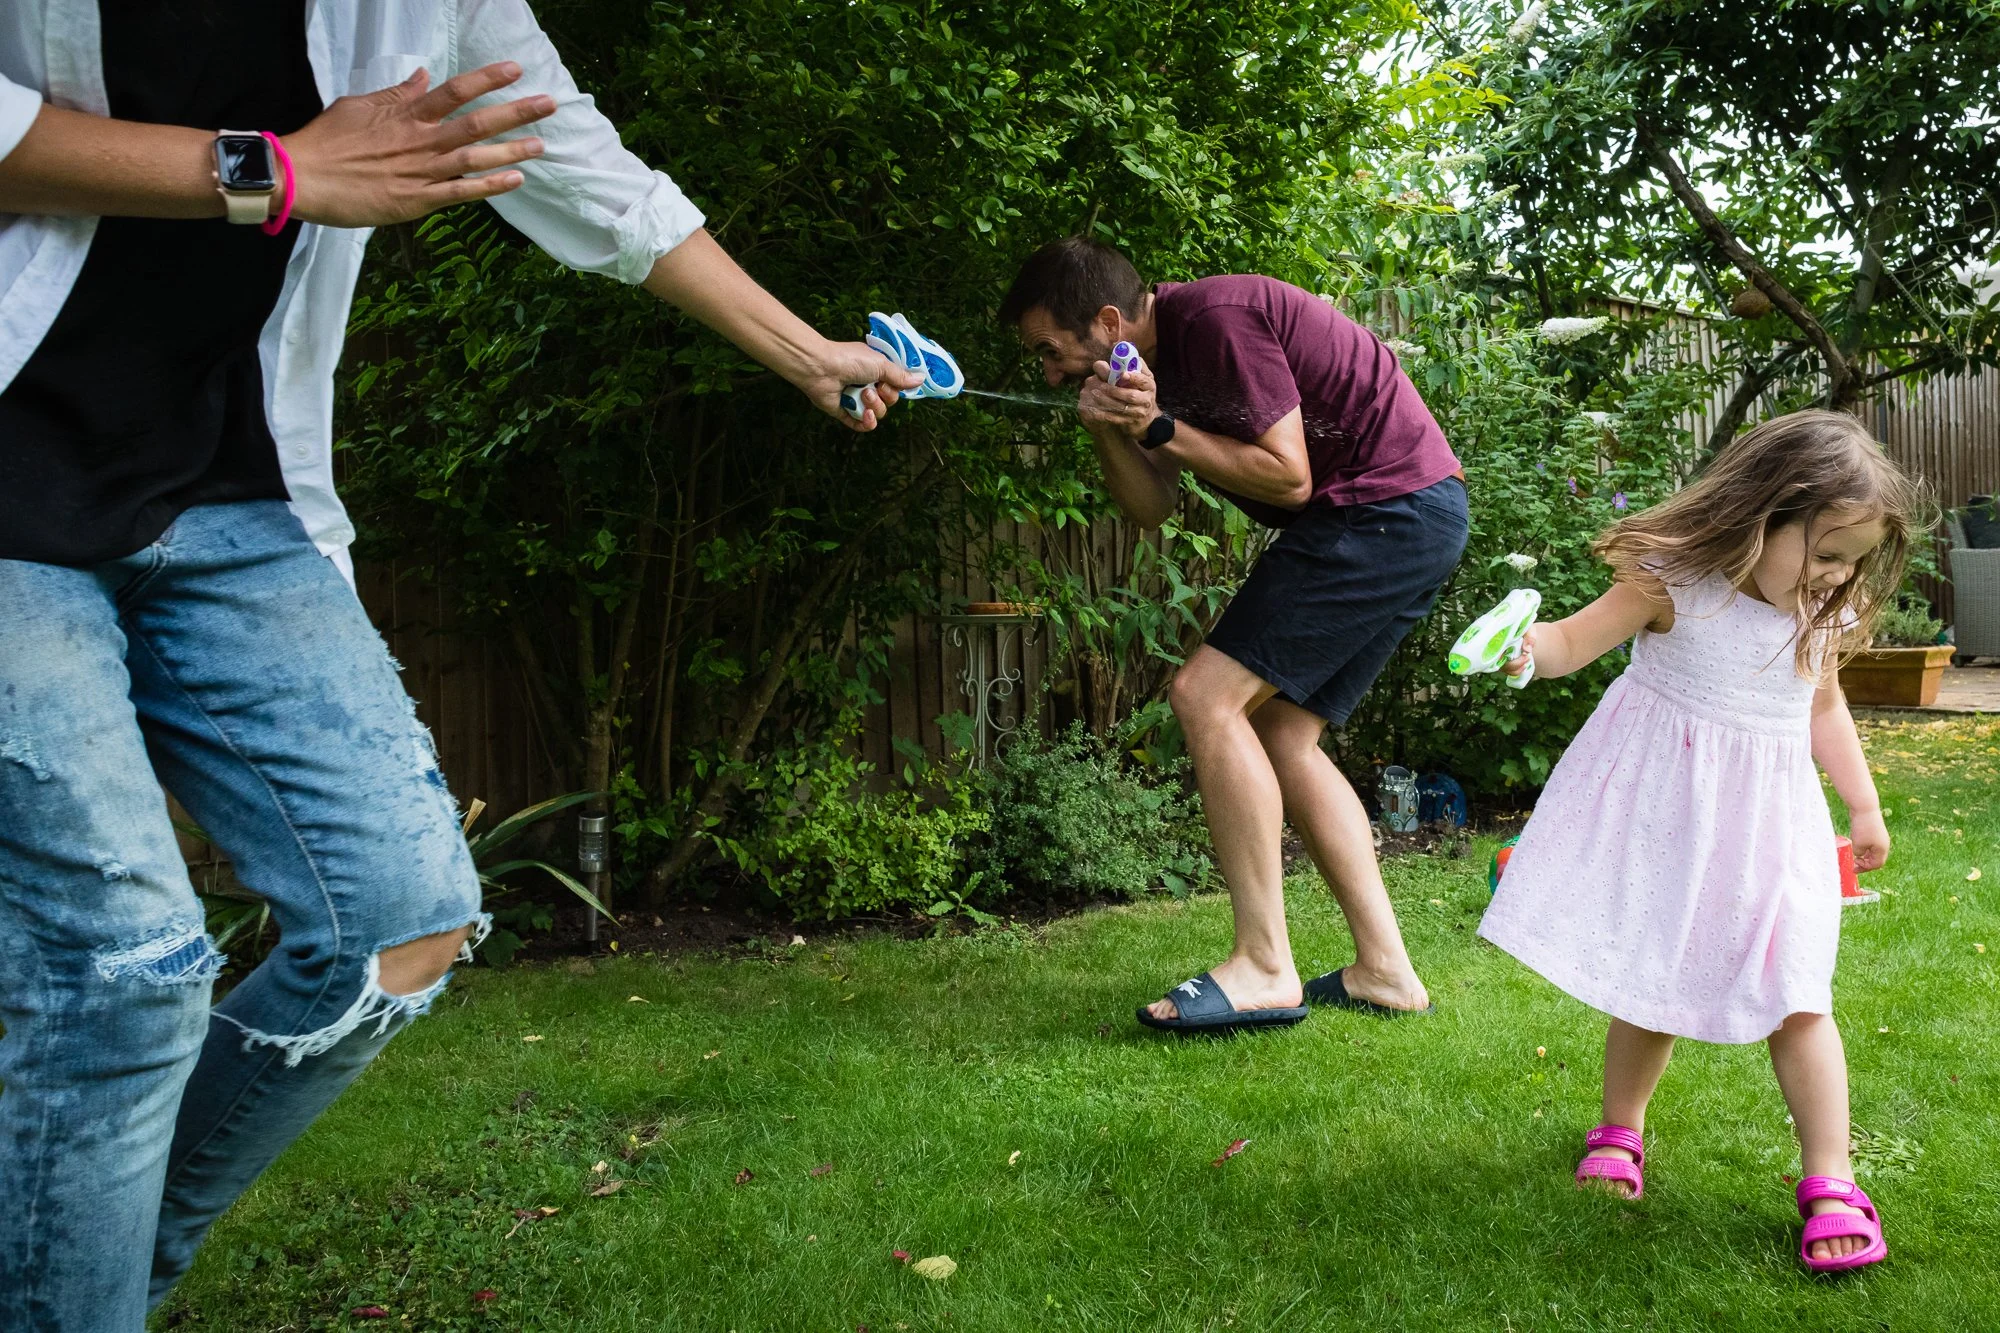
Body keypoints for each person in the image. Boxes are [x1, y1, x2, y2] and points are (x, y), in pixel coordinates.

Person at [0, 4, 917, 1324]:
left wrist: (804, 354)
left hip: (231, 488)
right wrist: (275, 170)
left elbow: (578, 161)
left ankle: (77, 1279)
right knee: (124, 979)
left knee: (400, 919)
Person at [1479, 410, 1917, 1273]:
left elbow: (1823, 707)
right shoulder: (1673, 582)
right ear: (1766, 514)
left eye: (1853, 559)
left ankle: (1831, 1177)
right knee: (1655, 969)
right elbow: (1572, 640)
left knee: (1798, 990)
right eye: (1827, 551)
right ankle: (1621, 1126)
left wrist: (1862, 807)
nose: (1838, 574)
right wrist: (1524, 649)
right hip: (1671, 821)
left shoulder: (1821, 612)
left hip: (1774, 831)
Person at [998, 237, 1468, 1033]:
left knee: (1203, 695)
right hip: (1406, 513)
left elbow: (1289, 476)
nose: (1045, 371)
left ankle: (1263, 964)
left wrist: (1157, 427)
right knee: (1285, 732)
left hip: (1384, 508)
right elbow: (1151, 510)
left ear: (1109, 321)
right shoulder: (1145, 363)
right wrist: (1114, 428)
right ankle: (1385, 971)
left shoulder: (1213, 321)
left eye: (1051, 349)